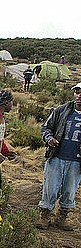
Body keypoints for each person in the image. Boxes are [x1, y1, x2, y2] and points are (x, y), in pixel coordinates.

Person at [36, 82, 81, 231]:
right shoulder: (62, 111)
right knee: (50, 188)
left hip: (77, 161)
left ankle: (61, 218)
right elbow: (46, 127)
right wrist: (49, 139)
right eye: (77, 92)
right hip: (57, 156)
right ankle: (45, 216)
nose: (79, 95)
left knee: (70, 190)